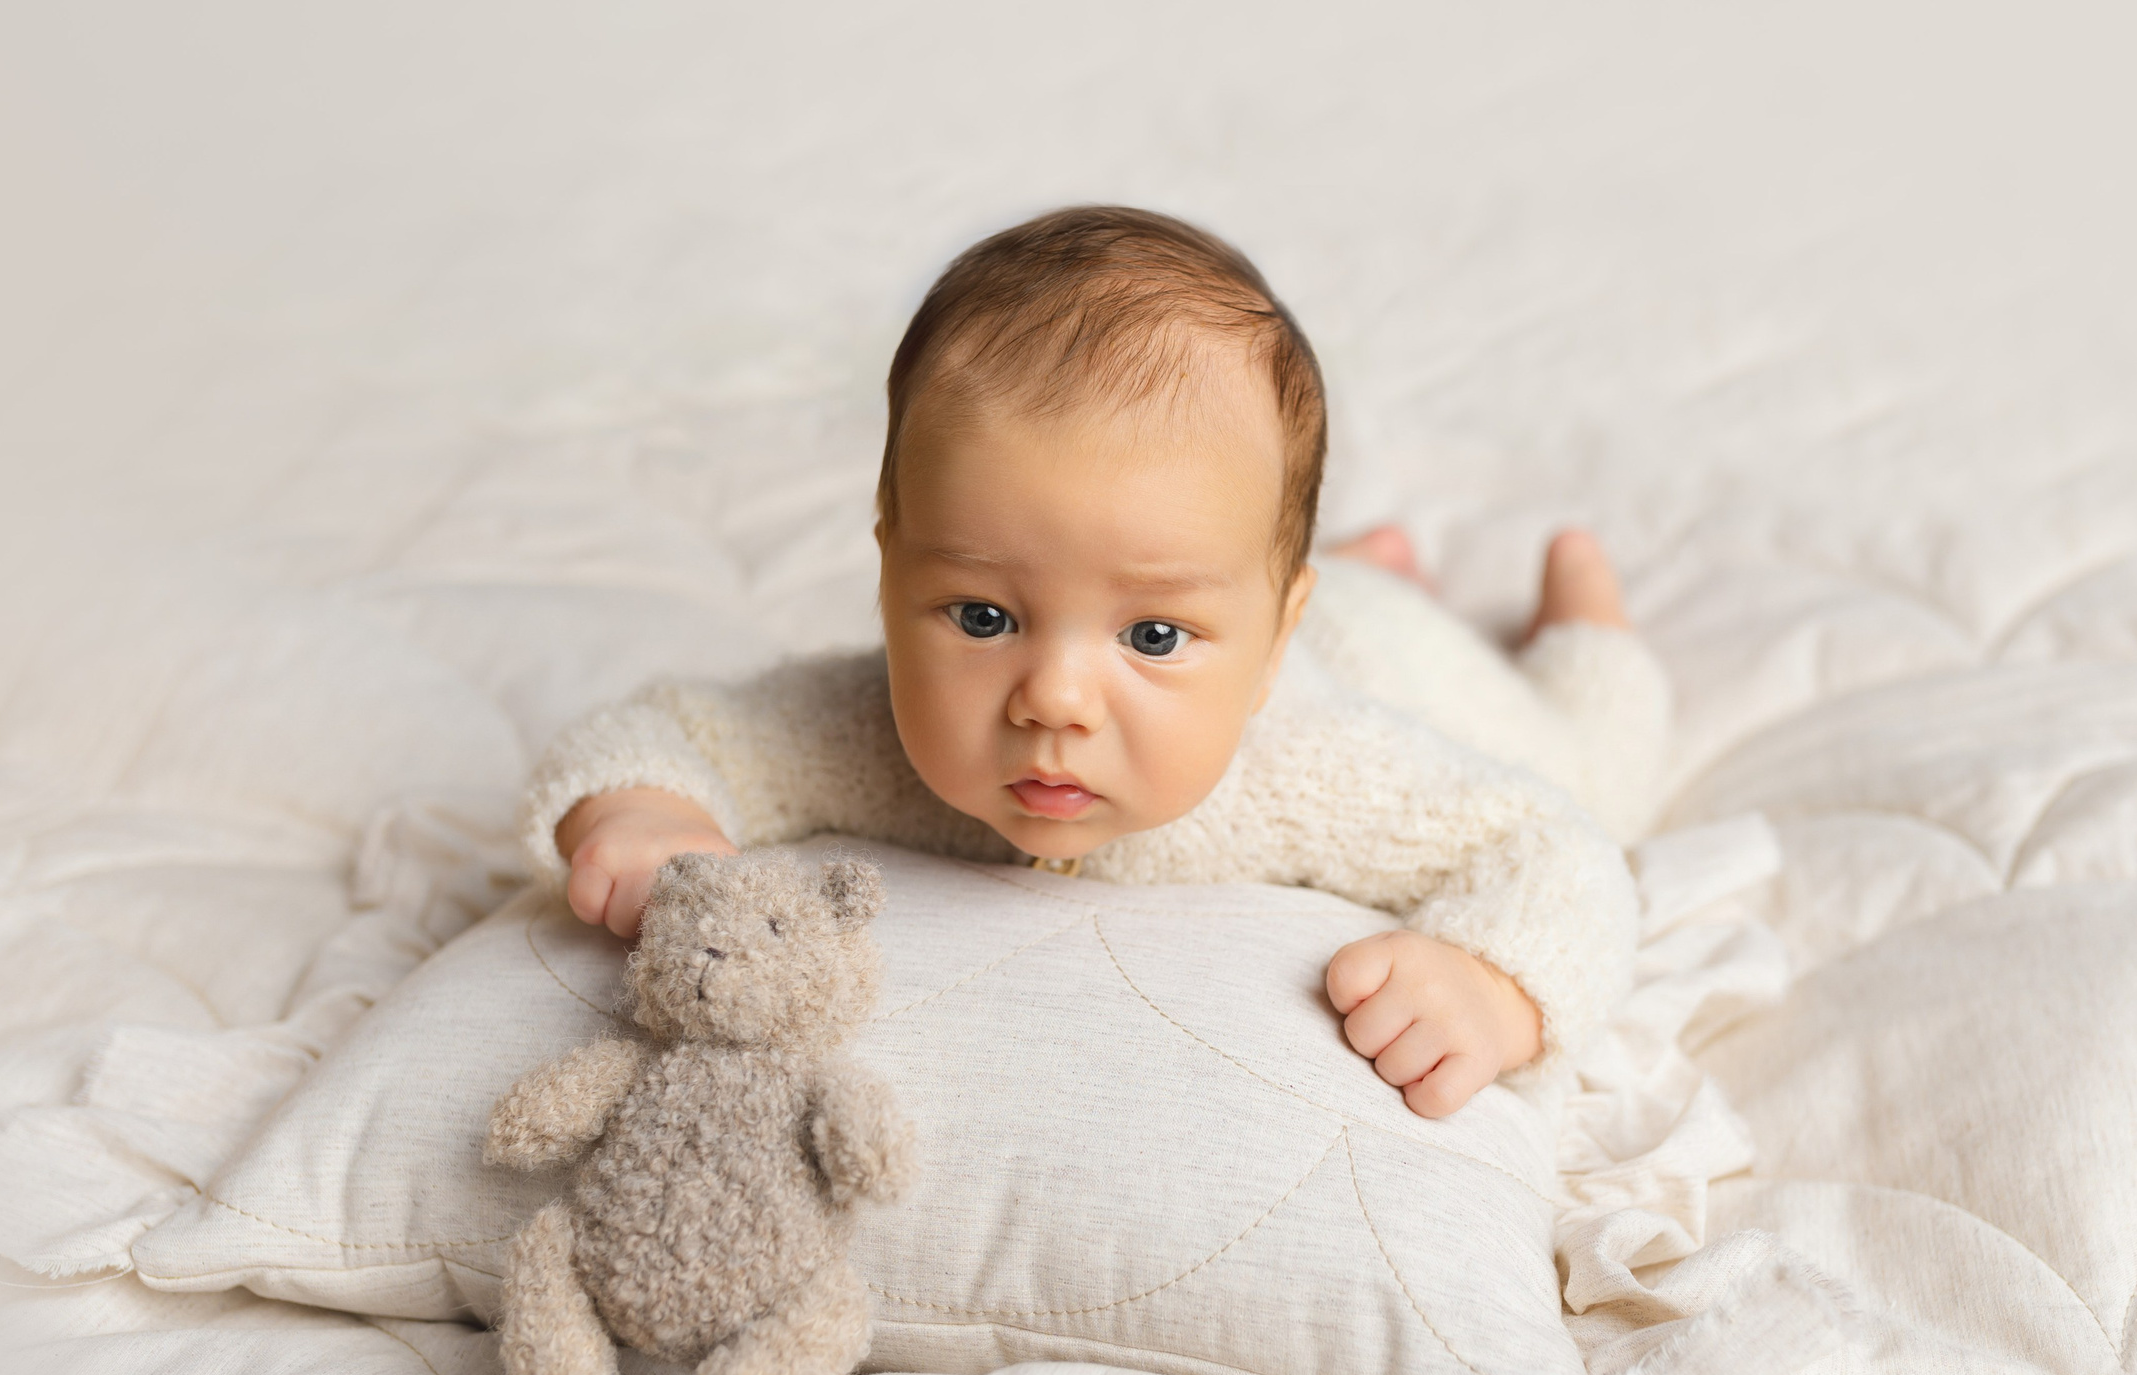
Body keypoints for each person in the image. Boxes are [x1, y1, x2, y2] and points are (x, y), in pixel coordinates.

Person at [524, 206, 1668, 1117]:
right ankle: (1335, 565)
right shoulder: (861, 728)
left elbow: (1553, 850)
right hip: (1281, 597)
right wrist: (641, 814)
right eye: (979, 614)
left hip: (1394, 660)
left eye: (1151, 636)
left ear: (1271, 649)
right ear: (889, 574)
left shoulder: (1319, 768)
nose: (1055, 699)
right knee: (1220, 563)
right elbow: (667, 730)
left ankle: (1583, 618)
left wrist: (1496, 986)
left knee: (1599, 769)